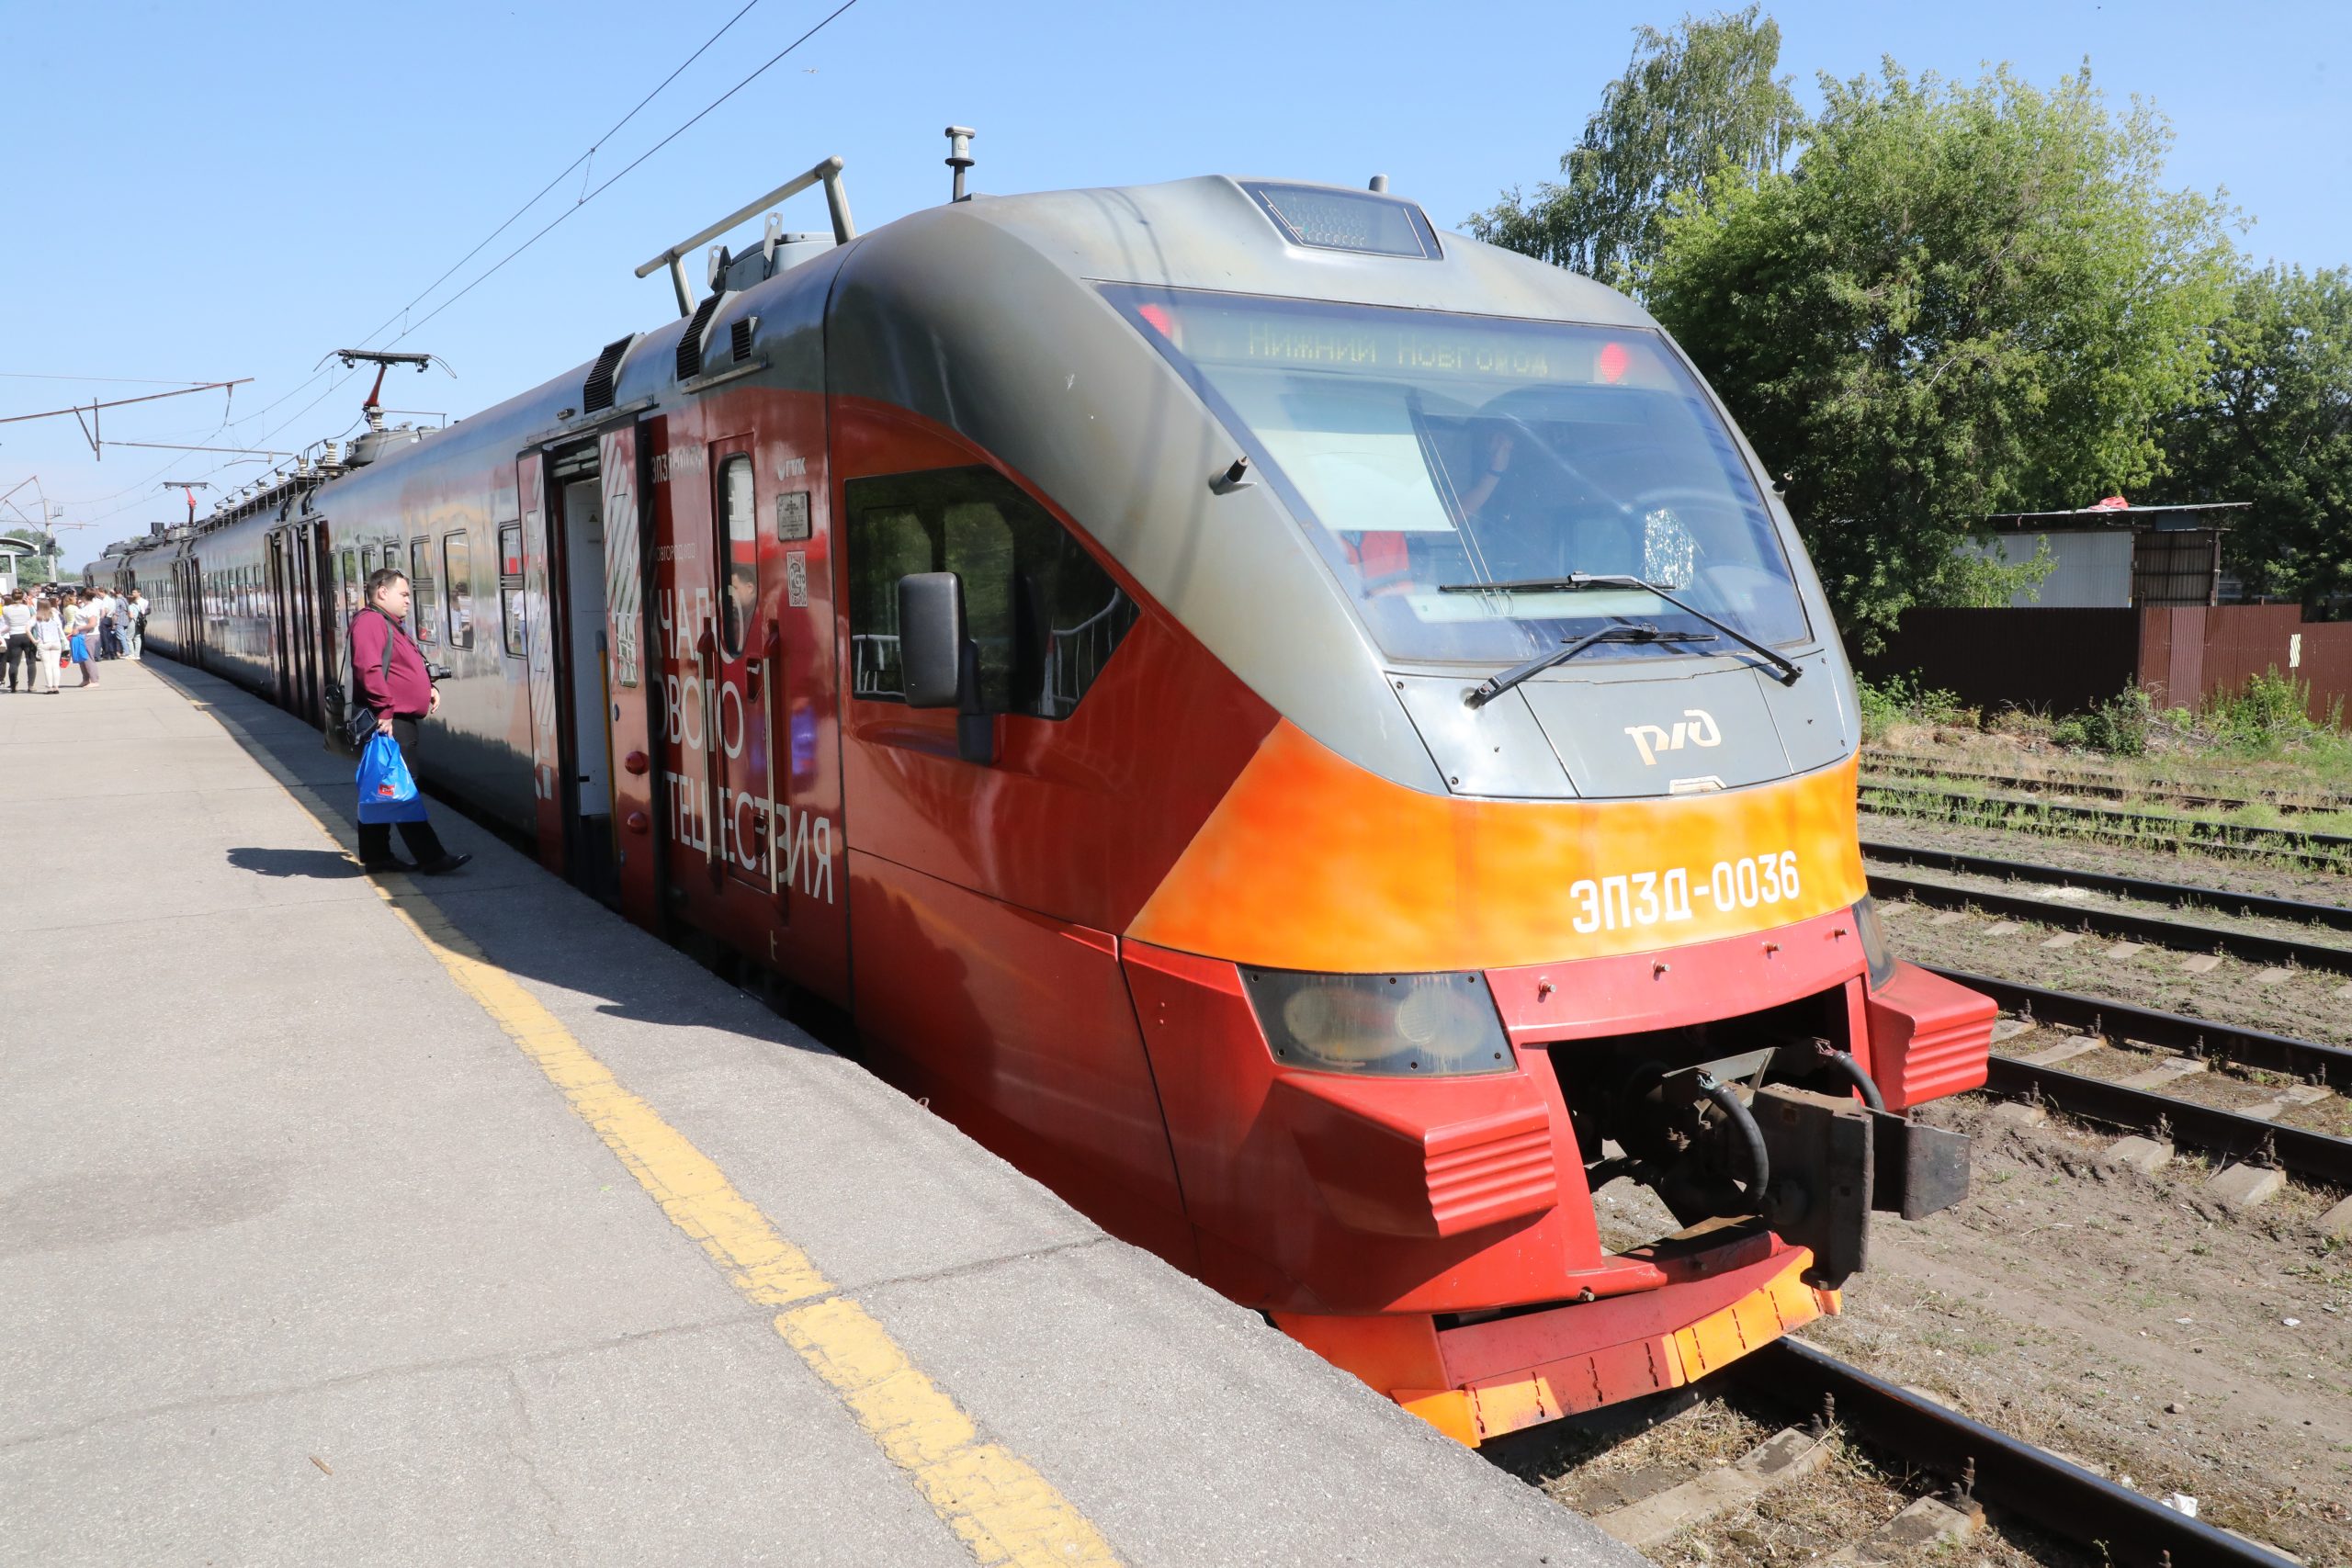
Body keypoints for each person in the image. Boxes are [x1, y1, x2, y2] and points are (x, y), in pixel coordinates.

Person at [349, 567, 469, 875]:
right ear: (381, 592)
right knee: (404, 787)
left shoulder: (387, 622)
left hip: (393, 718)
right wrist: (386, 710)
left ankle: (377, 856)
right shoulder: (370, 622)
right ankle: (431, 858)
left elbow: (401, 666)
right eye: (403, 594)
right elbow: (369, 669)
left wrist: (427, 687)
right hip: (390, 721)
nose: (408, 601)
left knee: (381, 786)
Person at [1, 591, 34, 693]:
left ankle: (13, 686)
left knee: (14, 663)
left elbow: (8, 623)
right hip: (27, 635)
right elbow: (33, 617)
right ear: (22, 597)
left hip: (14, 635)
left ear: (12, 597)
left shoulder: (6, 609)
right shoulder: (27, 608)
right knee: (31, 662)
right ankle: (30, 686)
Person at [29, 596, 63, 694]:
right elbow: (59, 628)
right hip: (56, 642)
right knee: (55, 666)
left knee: (47, 666)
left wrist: (34, 640)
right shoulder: (54, 615)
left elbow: (27, 629)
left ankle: (49, 687)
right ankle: (56, 687)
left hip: (43, 643)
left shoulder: (36, 616)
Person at [69, 592, 100, 686]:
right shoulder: (85, 607)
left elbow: (92, 623)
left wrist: (78, 628)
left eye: (80, 595)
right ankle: (86, 679)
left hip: (89, 635)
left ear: (84, 596)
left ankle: (94, 680)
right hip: (82, 635)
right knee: (82, 658)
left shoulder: (91, 608)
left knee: (88, 658)